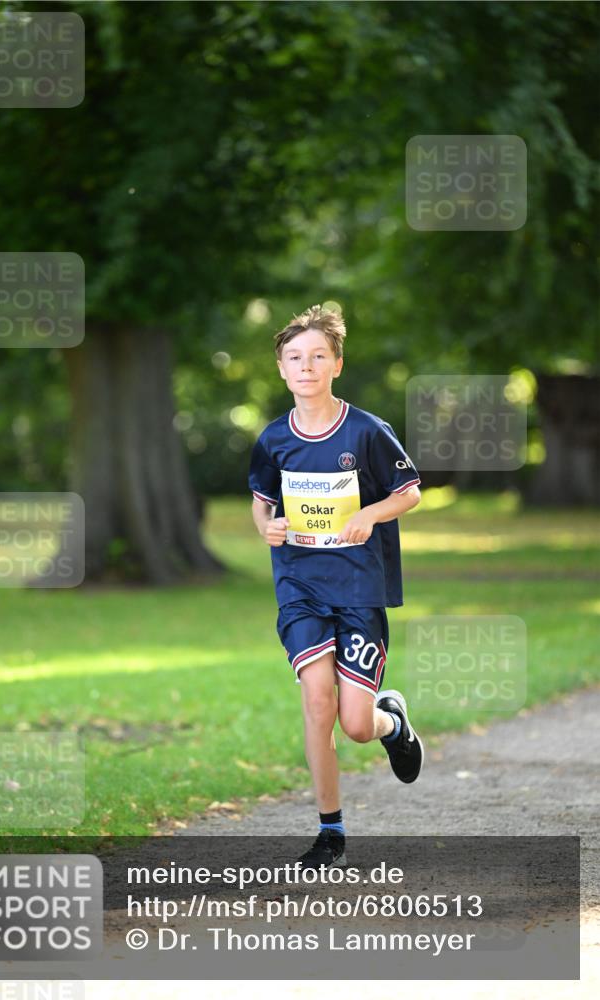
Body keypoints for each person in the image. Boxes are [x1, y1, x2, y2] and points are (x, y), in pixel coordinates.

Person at [248, 304, 424, 869]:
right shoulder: (274, 440)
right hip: (300, 585)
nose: (306, 366)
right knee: (317, 702)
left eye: (318, 356)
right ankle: (331, 832)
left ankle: (391, 722)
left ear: (337, 364)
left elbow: (411, 492)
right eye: (295, 357)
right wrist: (268, 528)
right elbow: (261, 506)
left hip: (358, 588)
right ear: (280, 368)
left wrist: (371, 513)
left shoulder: (367, 431)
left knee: (354, 724)